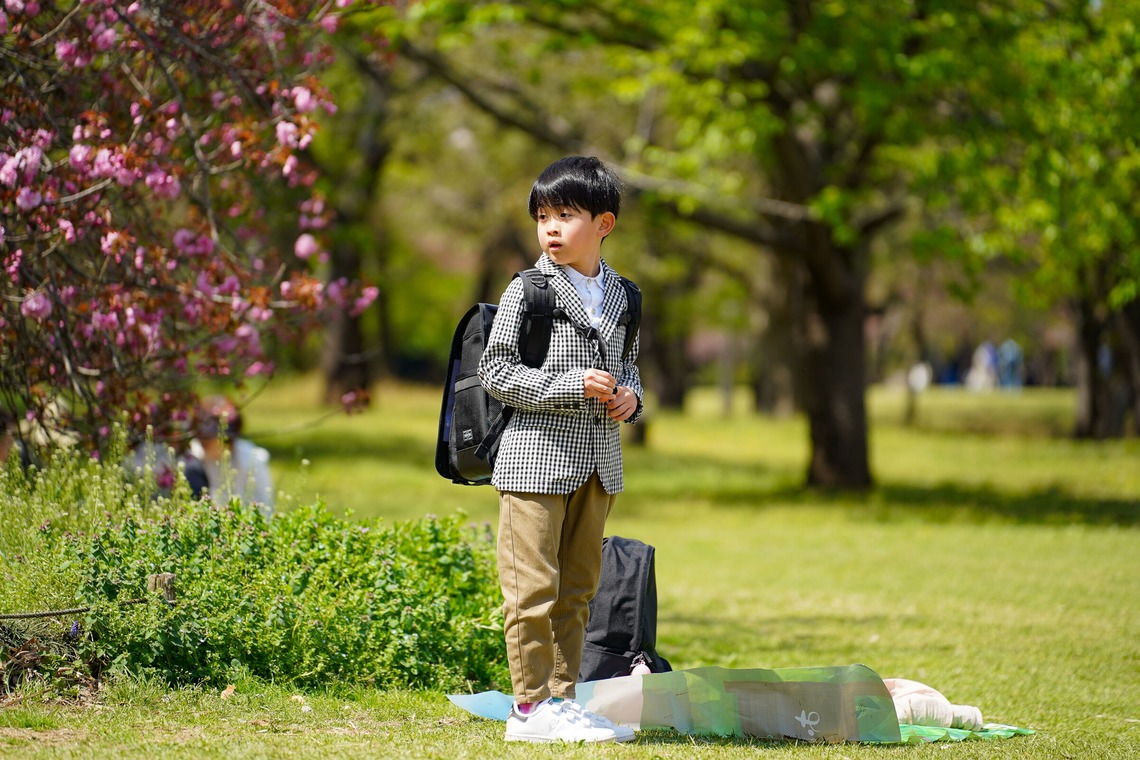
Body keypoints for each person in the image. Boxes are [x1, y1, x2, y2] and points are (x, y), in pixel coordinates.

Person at [478, 156, 643, 744]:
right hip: (533, 460)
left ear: (604, 223)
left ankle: (562, 702)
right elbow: (495, 372)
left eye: (564, 215)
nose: (549, 228)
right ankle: (528, 710)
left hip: (600, 466)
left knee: (578, 591)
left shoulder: (625, 295)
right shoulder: (527, 290)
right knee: (531, 590)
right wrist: (572, 386)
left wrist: (629, 399)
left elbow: (631, 371)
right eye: (542, 216)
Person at [188, 395, 274, 517]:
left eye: (208, 436)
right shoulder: (193, 456)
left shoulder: (250, 459)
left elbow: (265, 506)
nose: (202, 441)